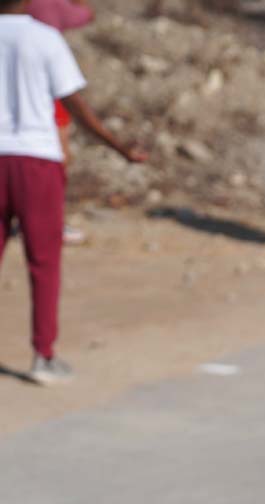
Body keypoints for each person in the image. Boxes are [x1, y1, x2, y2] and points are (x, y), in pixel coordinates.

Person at [0, 0, 145, 385]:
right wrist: (119, 147)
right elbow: (74, 103)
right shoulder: (44, 38)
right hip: (36, 159)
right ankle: (43, 355)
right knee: (44, 262)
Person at [27, 0, 94, 245]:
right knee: (58, 158)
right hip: (45, 88)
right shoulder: (49, 11)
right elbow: (85, 14)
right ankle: (50, 221)